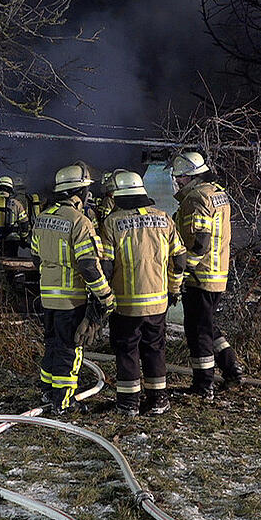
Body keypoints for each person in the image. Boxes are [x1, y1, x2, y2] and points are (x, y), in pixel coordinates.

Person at [99, 170, 186, 416]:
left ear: (118, 195)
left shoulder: (112, 223)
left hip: (125, 304)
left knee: (127, 350)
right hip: (158, 303)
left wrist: (102, 296)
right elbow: (179, 258)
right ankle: (158, 400)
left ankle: (128, 404)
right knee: (154, 348)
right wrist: (174, 288)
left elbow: (105, 264)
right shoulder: (164, 219)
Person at [31, 163, 115, 415]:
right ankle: (64, 401)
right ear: (79, 191)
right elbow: (89, 267)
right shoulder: (80, 222)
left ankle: (48, 391)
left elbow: (36, 258)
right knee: (71, 349)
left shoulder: (43, 217)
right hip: (71, 300)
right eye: (87, 189)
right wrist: (105, 295)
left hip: (48, 297)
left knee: (53, 345)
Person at [170, 151, 243, 401]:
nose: (177, 182)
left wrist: (182, 270)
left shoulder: (196, 198)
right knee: (208, 325)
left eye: (179, 177)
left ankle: (203, 386)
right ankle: (231, 367)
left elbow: (200, 242)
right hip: (217, 274)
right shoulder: (217, 193)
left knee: (197, 331)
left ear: (189, 176)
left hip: (200, 277)